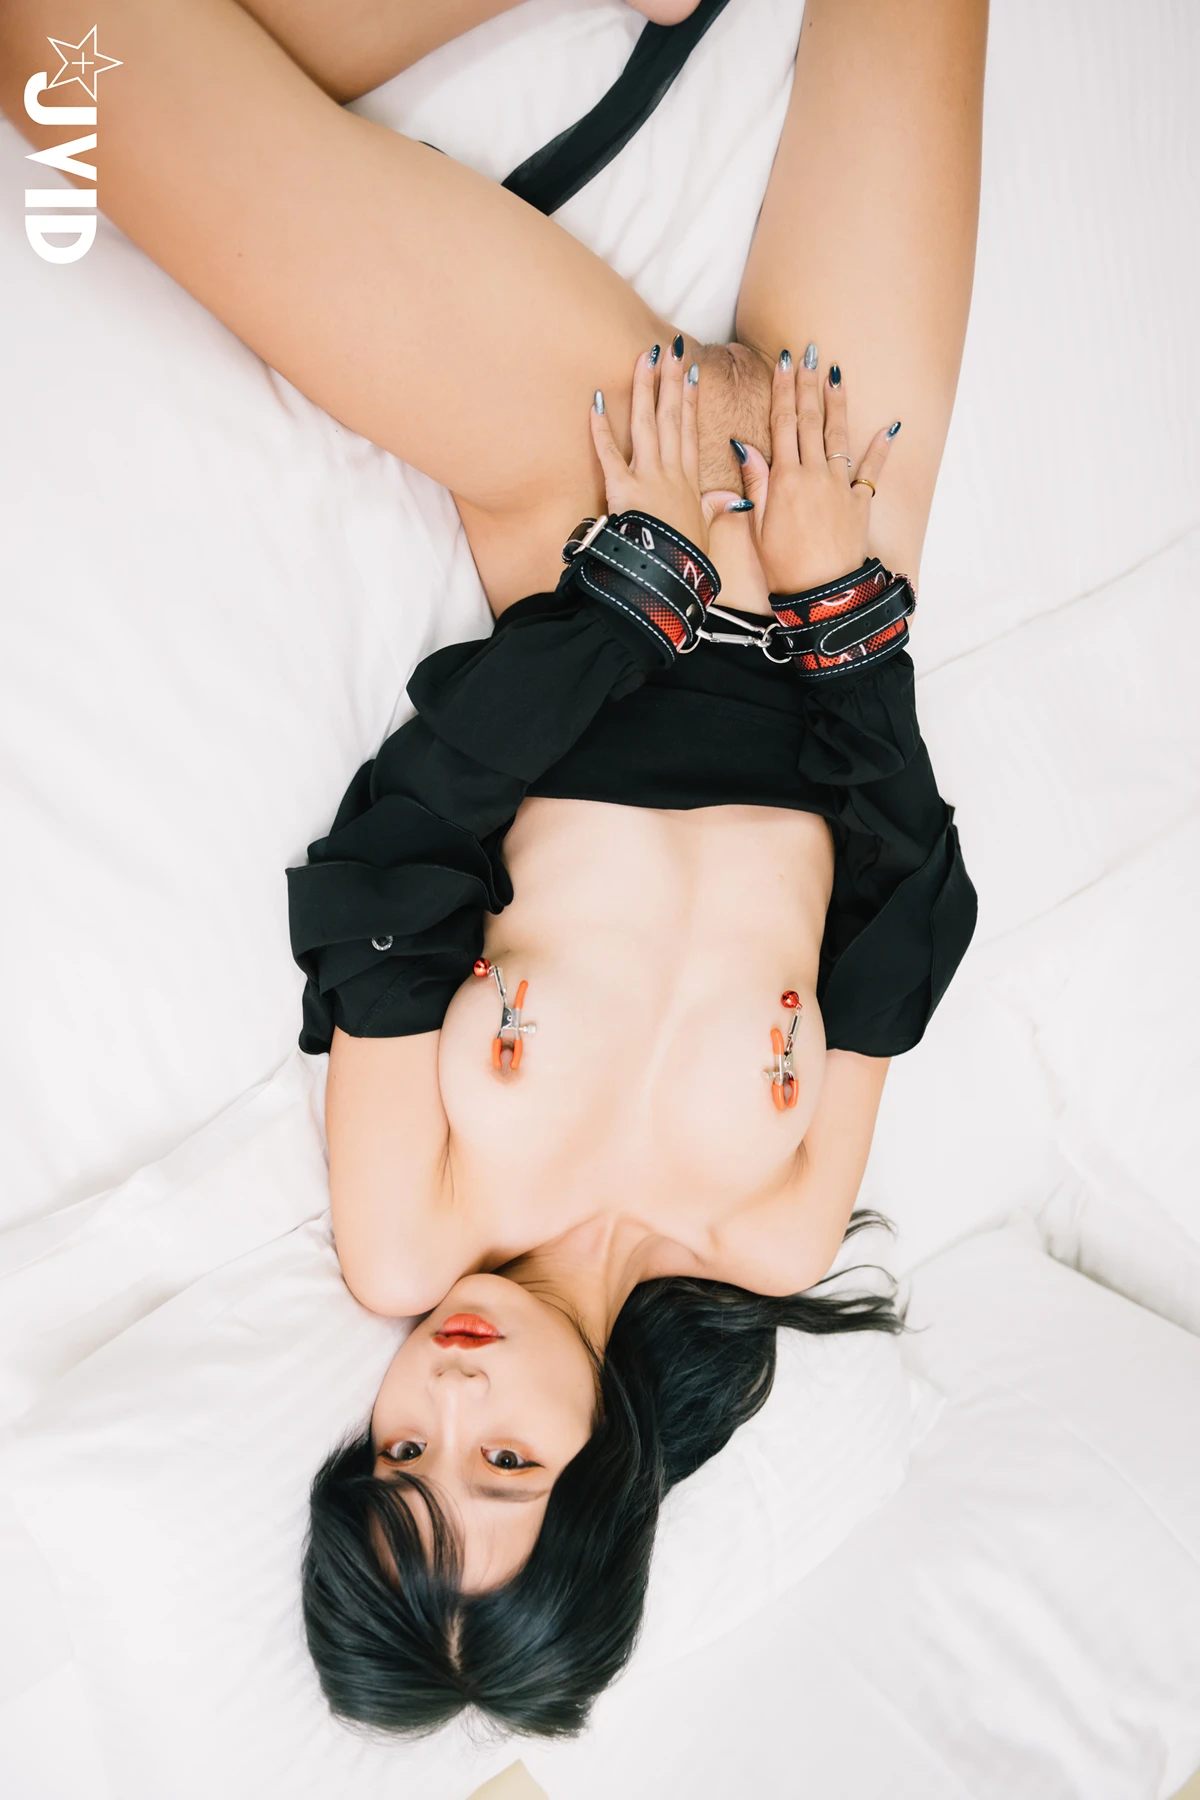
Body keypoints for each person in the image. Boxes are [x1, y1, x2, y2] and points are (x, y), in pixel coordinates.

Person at [0, 0, 988, 1739]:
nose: (443, 1401)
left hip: (591, 499)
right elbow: (902, 903)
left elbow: (395, 861)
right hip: (836, 541)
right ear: (606, 1476)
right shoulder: (772, 1233)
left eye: (397, 1455)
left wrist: (633, 591)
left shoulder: (412, 1236)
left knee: (61, 48)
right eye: (505, 1463)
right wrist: (837, 601)